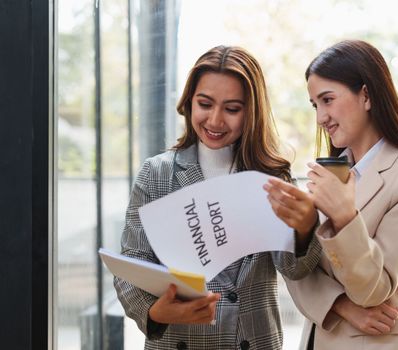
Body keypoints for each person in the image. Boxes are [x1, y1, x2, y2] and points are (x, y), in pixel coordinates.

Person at [113, 45, 324, 350]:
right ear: (188, 103)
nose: (214, 120)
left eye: (232, 109)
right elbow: (133, 263)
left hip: (252, 340)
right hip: (178, 338)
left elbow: (293, 269)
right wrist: (155, 312)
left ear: (251, 112)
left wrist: (305, 228)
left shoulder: (271, 177)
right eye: (205, 103)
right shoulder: (156, 173)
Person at [264, 39, 398, 350]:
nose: (321, 117)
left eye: (328, 100)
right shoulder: (327, 175)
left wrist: (346, 217)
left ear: (366, 95)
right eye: (315, 105)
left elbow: (374, 290)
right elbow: (297, 271)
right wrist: (339, 306)